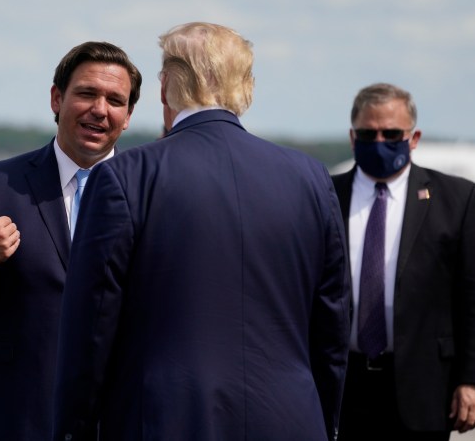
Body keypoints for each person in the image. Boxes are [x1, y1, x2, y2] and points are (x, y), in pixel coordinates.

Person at [52, 22, 351, 441]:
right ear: (246, 87)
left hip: (164, 421)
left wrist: (74, 431)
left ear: (166, 87)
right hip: (292, 420)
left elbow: (91, 329)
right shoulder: (311, 178)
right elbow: (332, 328)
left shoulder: (125, 176)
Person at [0, 41, 141, 441]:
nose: (100, 109)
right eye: (87, 93)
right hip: (14, 418)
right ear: (57, 98)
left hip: (117, 421)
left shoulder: (151, 195)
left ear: (127, 117)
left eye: (115, 100)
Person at [333, 82, 475, 440]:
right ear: (352, 137)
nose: (380, 142)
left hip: (423, 386)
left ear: (414, 137)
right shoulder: (325, 196)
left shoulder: (457, 200)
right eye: (368, 134)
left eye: (391, 133)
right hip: (343, 386)